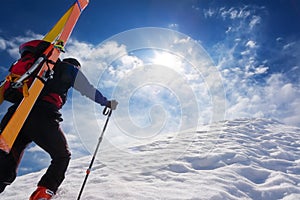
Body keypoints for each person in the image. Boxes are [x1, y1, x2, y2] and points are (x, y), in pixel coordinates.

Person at [0, 57, 118, 199]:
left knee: (6, 158)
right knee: (62, 156)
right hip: (43, 116)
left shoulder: (37, 70)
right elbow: (87, 88)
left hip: (16, 115)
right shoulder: (68, 69)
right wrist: (106, 102)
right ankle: (43, 194)